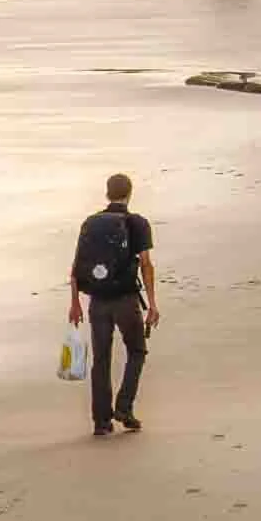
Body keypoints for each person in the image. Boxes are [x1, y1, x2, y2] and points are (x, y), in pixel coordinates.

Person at [68, 173, 158, 436]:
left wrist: (75, 302)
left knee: (101, 359)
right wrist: (152, 303)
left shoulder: (91, 223)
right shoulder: (136, 223)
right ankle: (124, 407)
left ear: (107, 193)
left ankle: (101, 421)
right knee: (137, 351)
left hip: (97, 301)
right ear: (129, 193)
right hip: (126, 300)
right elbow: (146, 264)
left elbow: (76, 267)